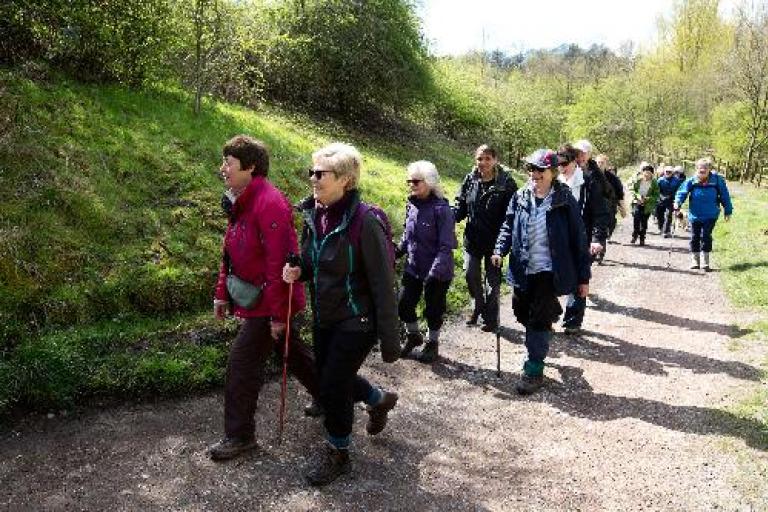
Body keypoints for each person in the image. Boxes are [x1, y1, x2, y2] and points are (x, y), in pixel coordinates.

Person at [282, 142, 400, 487]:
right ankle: (378, 399)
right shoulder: (315, 214)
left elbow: (382, 283)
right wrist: (297, 271)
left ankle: (338, 452)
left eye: (321, 173)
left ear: (346, 180)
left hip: (357, 320)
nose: (313, 179)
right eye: (312, 172)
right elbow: (311, 262)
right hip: (326, 315)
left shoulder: (365, 222)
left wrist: (391, 341)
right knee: (332, 376)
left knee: (332, 384)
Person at [209, 135, 319, 461]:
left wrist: (276, 315)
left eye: (228, 163)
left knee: (241, 366)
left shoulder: (270, 203)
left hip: (270, 304)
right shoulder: (240, 199)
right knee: (300, 359)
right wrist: (221, 294)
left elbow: (279, 264)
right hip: (260, 301)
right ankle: (363, 396)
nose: (223, 168)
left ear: (251, 167)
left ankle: (240, 436)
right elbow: (230, 251)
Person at [492, 149, 590, 395]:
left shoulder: (564, 199)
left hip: (549, 270)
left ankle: (533, 370)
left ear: (553, 172)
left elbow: (579, 239)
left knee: (536, 320)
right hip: (523, 268)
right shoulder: (520, 196)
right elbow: (507, 225)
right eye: (531, 169)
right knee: (522, 312)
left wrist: (583, 278)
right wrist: (498, 250)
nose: (534, 174)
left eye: (539, 170)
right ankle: (548, 316)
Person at [453, 145, 518, 332]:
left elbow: (510, 215)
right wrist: (449, 216)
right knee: (470, 275)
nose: (483, 163)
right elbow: (461, 205)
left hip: (495, 242)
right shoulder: (470, 179)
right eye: (480, 159)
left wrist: (503, 244)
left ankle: (491, 318)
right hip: (472, 239)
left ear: (495, 160)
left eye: (487, 158)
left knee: (493, 282)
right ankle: (478, 306)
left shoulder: (507, 183)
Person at [397, 161, 457, 363]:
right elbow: (407, 236)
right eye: (409, 181)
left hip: (438, 270)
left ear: (429, 182)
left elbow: (446, 246)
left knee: (433, 309)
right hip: (414, 266)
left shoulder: (442, 209)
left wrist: (434, 272)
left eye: (416, 181)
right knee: (403, 304)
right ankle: (414, 335)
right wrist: (396, 251)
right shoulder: (411, 204)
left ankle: (433, 343)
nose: (411, 185)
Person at [556, 141, 609, 334]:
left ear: (574, 162)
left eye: (564, 163)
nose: (560, 168)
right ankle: (549, 314)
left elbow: (600, 213)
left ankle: (572, 321)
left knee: (579, 278)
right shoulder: (554, 182)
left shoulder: (588, 182)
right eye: (558, 163)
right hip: (557, 238)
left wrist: (597, 239)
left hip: (582, 237)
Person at [674, 157, 733, 271]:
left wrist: (728, 210)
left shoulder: (717, 180)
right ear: (697, 168)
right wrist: (677, 202)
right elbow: (682, 192)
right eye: (700, 168)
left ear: (709, 169)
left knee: (706, 236)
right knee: (695, 236)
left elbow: (725, 195)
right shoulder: (692, 180)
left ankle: (705, 261)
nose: (703, 170)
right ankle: (695, 260)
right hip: (695, 214)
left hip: (711, 214)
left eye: (705, 168)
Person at [595, 153, 625, 250]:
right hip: (594, 207)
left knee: (611, 224)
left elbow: (620, 193)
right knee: (599, 228)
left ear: (606, 165)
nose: (599, 164)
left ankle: (607, 235)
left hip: (610, 206)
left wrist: (622, 207)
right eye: (598, 162)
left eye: (602, 163)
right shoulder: (589, 175)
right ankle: (599, 250)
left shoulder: (613, 178)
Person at [629, 163, 660, 245]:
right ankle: (635, 235)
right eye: (645, 172)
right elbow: (631, 190)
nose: (647, 174)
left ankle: (642, 238)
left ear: (652, 174)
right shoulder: (637, 180)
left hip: (647, 205)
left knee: (644, 222)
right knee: (636, 219)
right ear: (642, 173)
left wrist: (649, 198)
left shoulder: (654, 183)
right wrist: (638, 196)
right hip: (637, 203)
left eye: (649, 173)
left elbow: (656, 195)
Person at [655, 165, 684, 237]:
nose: (668, 173)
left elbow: (679, 191)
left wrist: (675, 199)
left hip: (671, 200)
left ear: (672, 172)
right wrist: (661, 197)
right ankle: (661, 228)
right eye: (666, 171)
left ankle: (666, 231)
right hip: (661, 200)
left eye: (669, 172)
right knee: (659, 215)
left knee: (668, 215)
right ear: (664, 172)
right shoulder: (660, 180)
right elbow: (656, 191)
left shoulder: (677, 181)